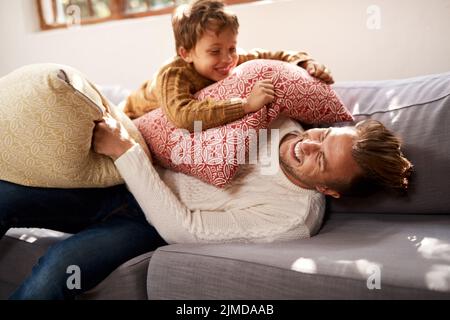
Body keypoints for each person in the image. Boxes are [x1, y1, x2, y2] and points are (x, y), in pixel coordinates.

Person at [0, 114, 412, 299]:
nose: (307, 143)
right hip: (113, 179)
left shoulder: (291, 218)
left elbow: (184, 230)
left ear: (331, 191)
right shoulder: (279, 120)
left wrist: (126, 153)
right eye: (322, 134)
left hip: (143, 222)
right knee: (8, 196)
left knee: (60, 266)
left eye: (321, 159)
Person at [123, 0, 334, 131]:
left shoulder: (233, 59)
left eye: (232, 48)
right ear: (186, 53)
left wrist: (307, 63)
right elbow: (183, 115)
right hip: (132, 112)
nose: (227, 59)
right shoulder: (174, 74)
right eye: (215, 51)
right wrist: (245, 105)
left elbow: (275, 55)